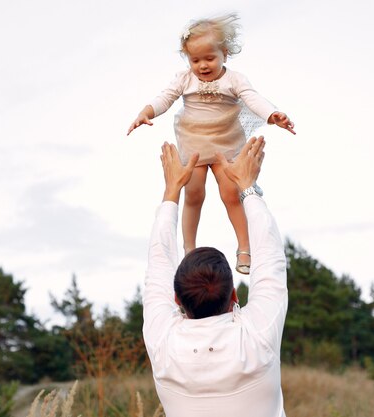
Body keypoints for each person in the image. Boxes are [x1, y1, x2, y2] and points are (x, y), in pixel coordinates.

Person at [128, 13, 294, 275]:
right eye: (195, 60)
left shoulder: (234, 79)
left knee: (231, 193)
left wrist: (273, 114)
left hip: (225, 144)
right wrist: (146, 111)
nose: (203, 65)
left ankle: (244, 247)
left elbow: (253, 99)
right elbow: (165, 97)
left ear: (224, 54)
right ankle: (189, 249)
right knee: (193, 194)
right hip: (193, 143)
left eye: (210, 58)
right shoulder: (184, 79)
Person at [144, 136, 288, 417]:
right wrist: (247, 187)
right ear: (234, 295)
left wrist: (173, 190)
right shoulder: (257, 335)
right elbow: (271, 257)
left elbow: (158, 263)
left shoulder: (163, 342)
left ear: (177, 298)